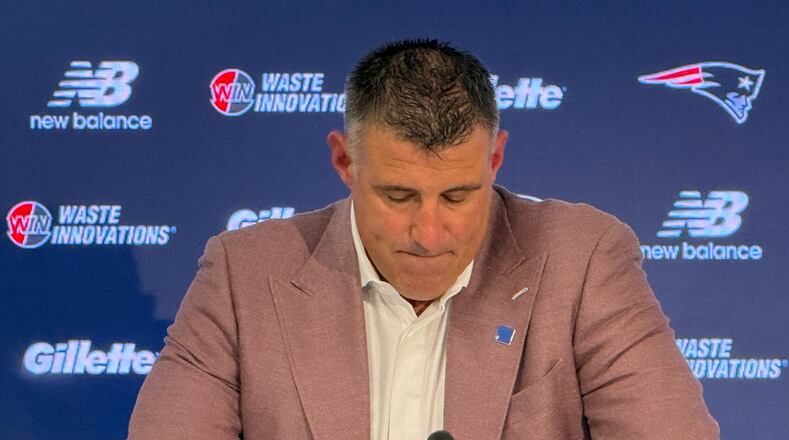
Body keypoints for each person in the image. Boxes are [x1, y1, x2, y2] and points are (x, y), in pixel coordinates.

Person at [128, 39, 720, 439]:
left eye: (459, 196)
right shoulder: (243, 274)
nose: (429, 233)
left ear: (496, 158)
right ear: (344, 161)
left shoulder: (584, 260)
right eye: (399, 196)